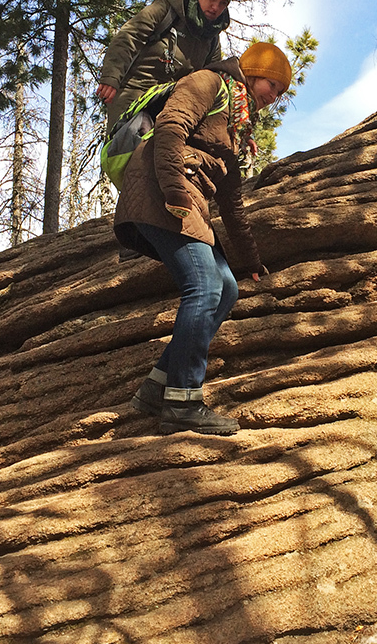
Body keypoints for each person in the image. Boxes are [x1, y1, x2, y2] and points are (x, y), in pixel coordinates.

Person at [114, 41, 293, 435]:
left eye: (280, 92)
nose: (274, 96)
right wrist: (174, 188)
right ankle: (183, 401)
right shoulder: (209, 82)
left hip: (187, 201)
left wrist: (250, 261)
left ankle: (157, 388)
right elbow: (171, 127)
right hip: (162, 194)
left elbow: (232, 202)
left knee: (226, 288)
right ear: (255, 72)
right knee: (205, 287)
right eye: (273, 85)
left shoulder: (236, 124)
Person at [97, 0, 236, 126]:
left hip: (171, 105)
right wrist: (111, 76)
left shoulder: (212, 35)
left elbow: (214, 82)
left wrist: (236, 125)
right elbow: (130, 35)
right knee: (124, 148)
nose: (215, 7)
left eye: (223, 3)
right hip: (136, 91)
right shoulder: (169, 7)